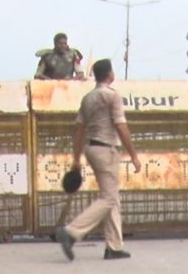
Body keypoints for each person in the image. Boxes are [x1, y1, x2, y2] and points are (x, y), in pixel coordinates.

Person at [55, 59, 141, 261]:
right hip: (106, 149)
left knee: (111, 196)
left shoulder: (88, 98)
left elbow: (78, 130)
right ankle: (71, 232)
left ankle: (114, 246)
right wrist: (134, 155)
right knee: (109, 198)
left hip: (90, 148)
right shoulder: (111, 96)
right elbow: (121, 126)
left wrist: (76, 159)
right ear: (109, 74)